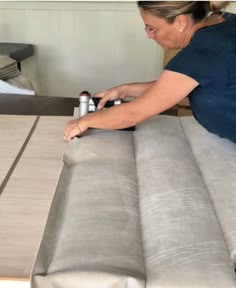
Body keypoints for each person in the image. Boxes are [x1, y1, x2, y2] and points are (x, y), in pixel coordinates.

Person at [64, 1, 236, 143]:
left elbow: (134, 113)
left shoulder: (200, 52)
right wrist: (125, 90)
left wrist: (84, 122)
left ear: (180, 22)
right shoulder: (224, 22)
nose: (148, 35)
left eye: (152, 28)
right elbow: (179, 85)